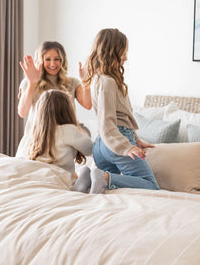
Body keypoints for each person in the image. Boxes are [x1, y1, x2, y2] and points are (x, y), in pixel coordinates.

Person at [82, 28, 160, 194]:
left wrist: (136, 140)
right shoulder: (108, 83)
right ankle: (104, 177)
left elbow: (121, 117)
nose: (125, 57)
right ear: (111, 52)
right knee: (151, 185)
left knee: (107, 191)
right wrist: (127, 147)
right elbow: (107, 123)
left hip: (101, 145)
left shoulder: (97, 79)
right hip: (115, 141)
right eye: (123, 53)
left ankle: (89, 178)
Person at [16, 41, 92, 158]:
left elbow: (88, 105)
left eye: (57, 59)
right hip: (35, 141)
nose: (53, 63)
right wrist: (32, 83)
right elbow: (22, 112)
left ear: (62, 60)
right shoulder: (29, 82)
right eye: (47, 59)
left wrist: (86, 82)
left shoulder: (72, 83)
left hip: (63, 142)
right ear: (41, 60)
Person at [27, 89, 93, 192]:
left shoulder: (37, 135)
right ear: (67, 110)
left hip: (40, 180)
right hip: (63, 182)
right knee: (86, 171)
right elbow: (91, 149)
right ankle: (78, 188)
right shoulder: (68, 130)